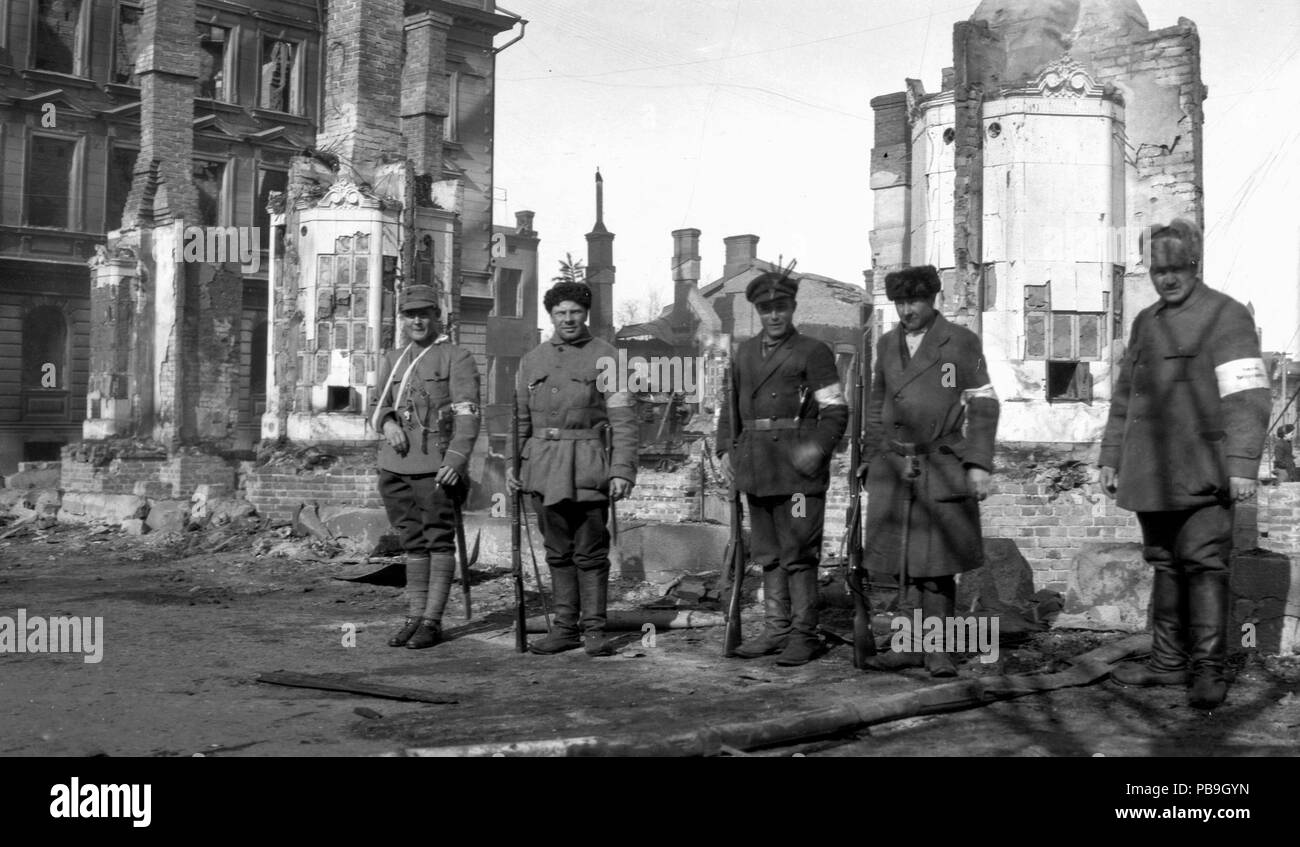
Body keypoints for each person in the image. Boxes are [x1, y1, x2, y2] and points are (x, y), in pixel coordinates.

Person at [1101, 219, 1269, 710]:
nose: (1167, 279)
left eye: (1177, 268)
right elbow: (1124, 396)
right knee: (1165, 564)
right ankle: (1168, 664)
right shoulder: (1145, 322)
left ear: (1195, 265)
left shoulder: (1226, 315)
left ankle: (1209, 670)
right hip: (1150, 469)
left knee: (1205, 564)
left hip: (1204, 469)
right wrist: (1110, 456)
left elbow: (1249, 396)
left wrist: (1241, 465)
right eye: (1158, 270)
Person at [857, 265, 999, 677]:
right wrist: (869, 456)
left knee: (935, 567)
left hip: (940, 464)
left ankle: (937, 650)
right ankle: (907, 646)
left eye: (914, 301)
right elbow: (875, 402)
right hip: (894, 465)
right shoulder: (885, 345)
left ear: (933, 298)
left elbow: (984, 403)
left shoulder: (960, 342)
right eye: (900, 302)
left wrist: (978, 463)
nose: (907, 310)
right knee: (904, 562)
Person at [717, 269, 848, 666]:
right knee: (769, 554)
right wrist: (726, 449)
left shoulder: (813, 351)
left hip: (796, 474)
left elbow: (836, 410)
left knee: (798, 554)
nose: (774, 315)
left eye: (781, 307)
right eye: (766, 308)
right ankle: (776, 630)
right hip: (757, 468)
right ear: (757, 311)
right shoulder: (744, 353)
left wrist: (816, 451)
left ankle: (804, 635)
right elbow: (730, 407)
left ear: (792, 307)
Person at [507, 281, 637, 657]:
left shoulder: (608, 357)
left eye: (575, 312)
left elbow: (625, 419)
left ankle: (594, 630)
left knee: (591, 552)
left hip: (587, 465)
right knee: (557, 552)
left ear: (586, 314)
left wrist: (622, 470)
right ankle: (564, 628)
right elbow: (518, 419)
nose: (568, 319)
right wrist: (513, 465)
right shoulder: (532, 360)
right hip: (542, 465)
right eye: (560, 313)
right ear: (551, 316)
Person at [371, 284, 480, 650]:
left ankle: (432, 620)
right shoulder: (393, 359)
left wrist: (456, 460)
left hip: (436, 467)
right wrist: (387, 424)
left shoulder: (456, 357)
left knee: (437, 542)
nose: (417, 320)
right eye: (409, 314)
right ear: (402, 319)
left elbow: (468, 414)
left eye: (424, 313)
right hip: (395, 467)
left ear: (438, 316)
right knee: (411, 543)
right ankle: (414, 615)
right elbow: (377, 403)